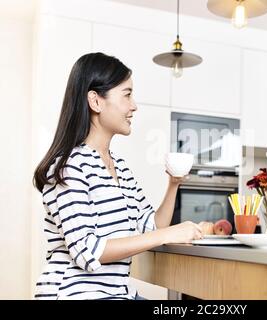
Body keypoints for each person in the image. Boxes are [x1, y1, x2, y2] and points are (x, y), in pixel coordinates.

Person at [33, 52, 202, 300]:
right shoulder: (68, 166)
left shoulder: (119, 167)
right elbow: (87, 249)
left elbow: (151, 226)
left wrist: (173, 184)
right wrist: (168, 234)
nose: (134, 105)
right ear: (96, 101)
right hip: (76, 294)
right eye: (127, 94)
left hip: (117, 293)